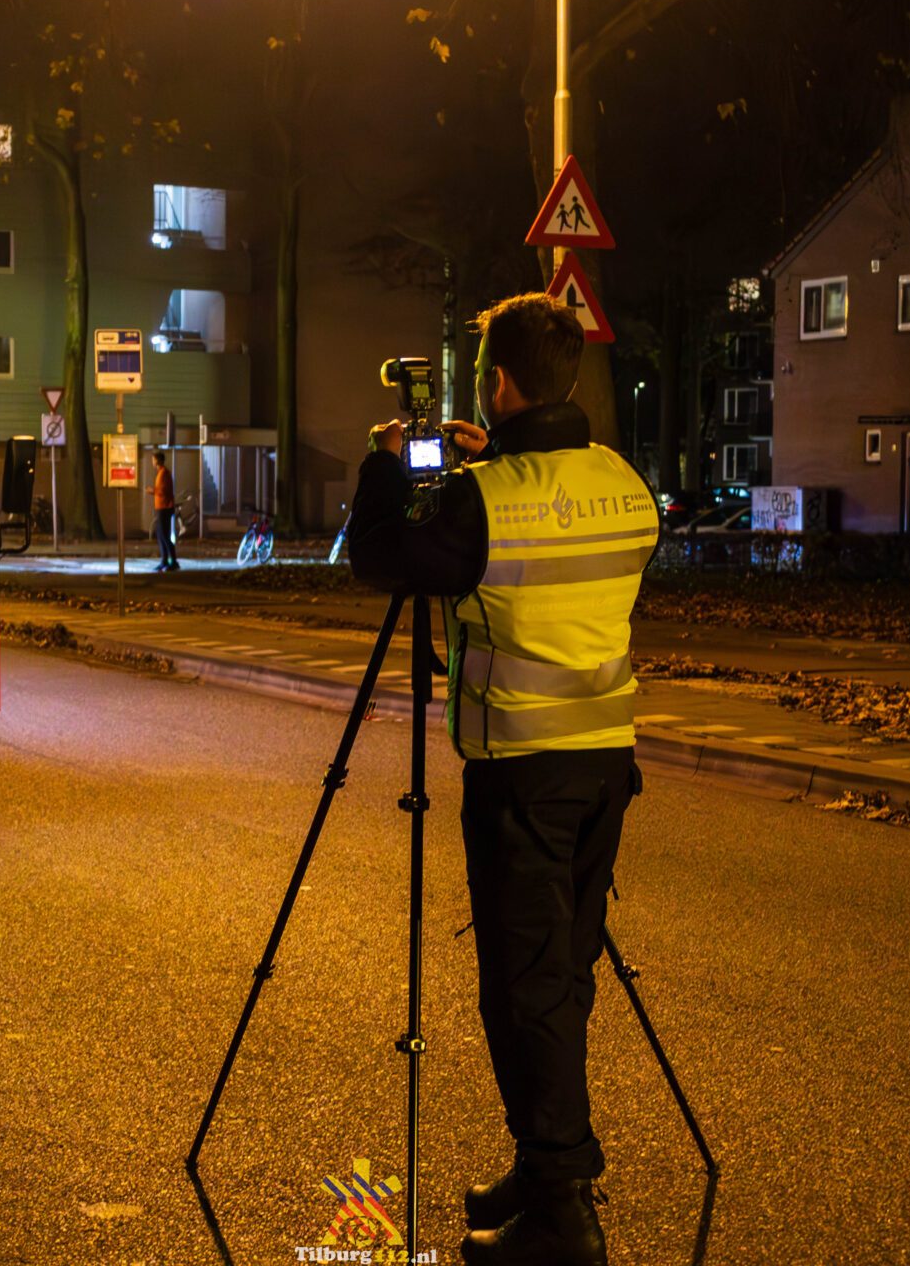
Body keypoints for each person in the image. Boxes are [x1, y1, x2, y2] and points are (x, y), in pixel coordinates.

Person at [348, 292, 658, 1266]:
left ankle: (564, 1205)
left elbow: (383, 554)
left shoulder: (487, 500)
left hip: (520, 769)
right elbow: (542, 534)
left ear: (501, 381)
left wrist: (385, 467)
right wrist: (493, 462)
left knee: (522, 990)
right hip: (606, 760)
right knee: (560, 976)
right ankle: (541, 1161)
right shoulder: (623, 482)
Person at [149, 451, 178, 571]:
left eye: (153, 460)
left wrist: (152, 490)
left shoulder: (163, 473)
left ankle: (172, 561)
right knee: (162, 536)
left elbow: (162, 491)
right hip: (162, 507)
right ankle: (165, 560)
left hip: (164, 508)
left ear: (157, 461)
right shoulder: (162, 473)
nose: (152, 462)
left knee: (163, 536)